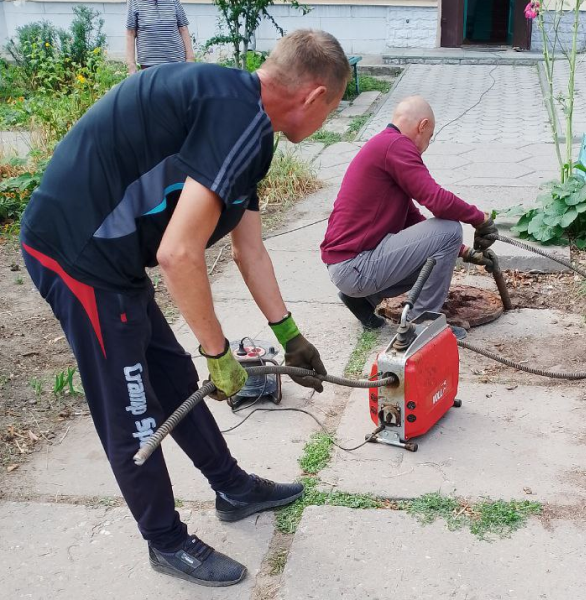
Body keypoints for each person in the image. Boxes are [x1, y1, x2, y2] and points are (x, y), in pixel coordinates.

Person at [20, 30, 350, 587]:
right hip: (75, 254)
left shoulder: (248, 125)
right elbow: (178, 253)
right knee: (132, 409)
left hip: (112, 258)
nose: (327, 119)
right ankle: (166, 541)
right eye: (333, 109)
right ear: (315, 96)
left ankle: (233, 488)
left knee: (172, 374)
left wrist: (290, 334)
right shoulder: (235, 118)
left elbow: (250, 247)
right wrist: (218, 351)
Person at [320, 96, 498, 337]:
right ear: (422, 126)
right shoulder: (396, 146)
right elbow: (436, 200)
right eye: (430, 136)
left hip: (347, 268)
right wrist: (479, 219)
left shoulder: (385, 145)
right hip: (356, 266)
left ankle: (364, 301)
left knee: (439, 250)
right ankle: (422, 323)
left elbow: (412, 220)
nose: (427, 144)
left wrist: (465, 251)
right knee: (450, 229)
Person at [126, 0, 194, 74]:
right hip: (149, 65)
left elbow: (183, 29)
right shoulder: (135, 2)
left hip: (176, 63)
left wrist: (190, 59)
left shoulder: (173, 1)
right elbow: (130, 33)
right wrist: (131, 64)